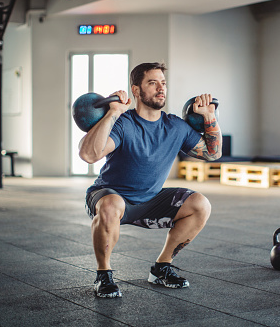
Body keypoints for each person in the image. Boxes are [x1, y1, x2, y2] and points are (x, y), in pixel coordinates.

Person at [79, 62, 222, 298]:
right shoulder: (124, 124)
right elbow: (89, 155)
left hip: (151, 199)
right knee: (111, 204)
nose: (160, 88)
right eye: (152, 83)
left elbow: (212, 154)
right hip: (109, 196)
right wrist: (114, 113)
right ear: (136, 90)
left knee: (200, 204)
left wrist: (209, 116)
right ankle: (103, 275)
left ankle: (162, 267)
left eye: (163, 83)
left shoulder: (175, 126)